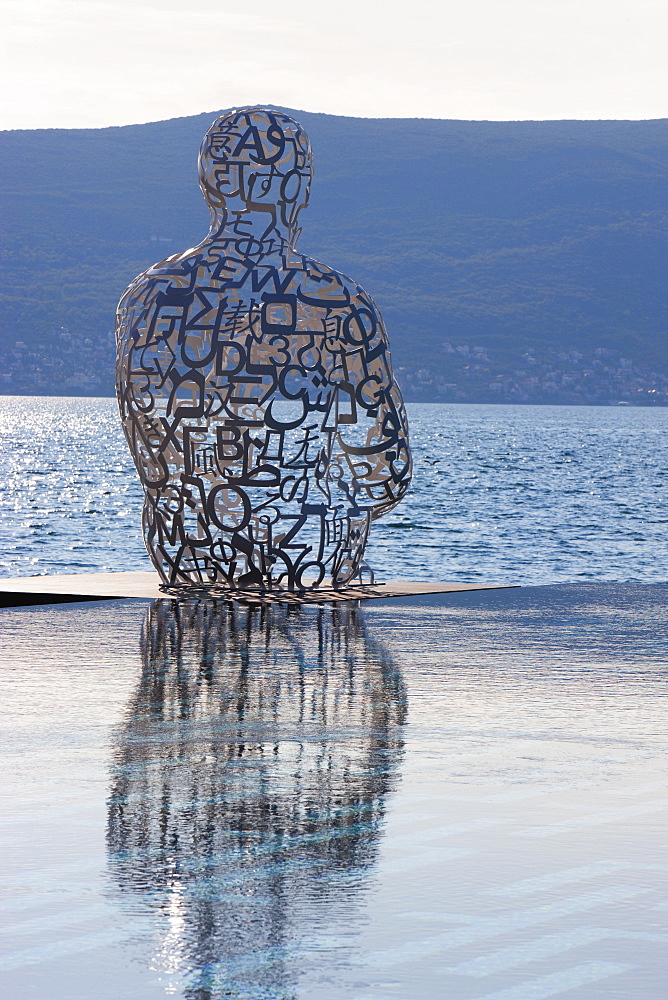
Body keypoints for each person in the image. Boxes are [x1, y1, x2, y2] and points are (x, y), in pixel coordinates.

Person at [116, 107, 411, 592]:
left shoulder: (146, 297)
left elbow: (150, 457)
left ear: (208, 184)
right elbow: (387, 472)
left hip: (187, 555)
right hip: (308, 563)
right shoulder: (335, 301)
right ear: (298, 190)